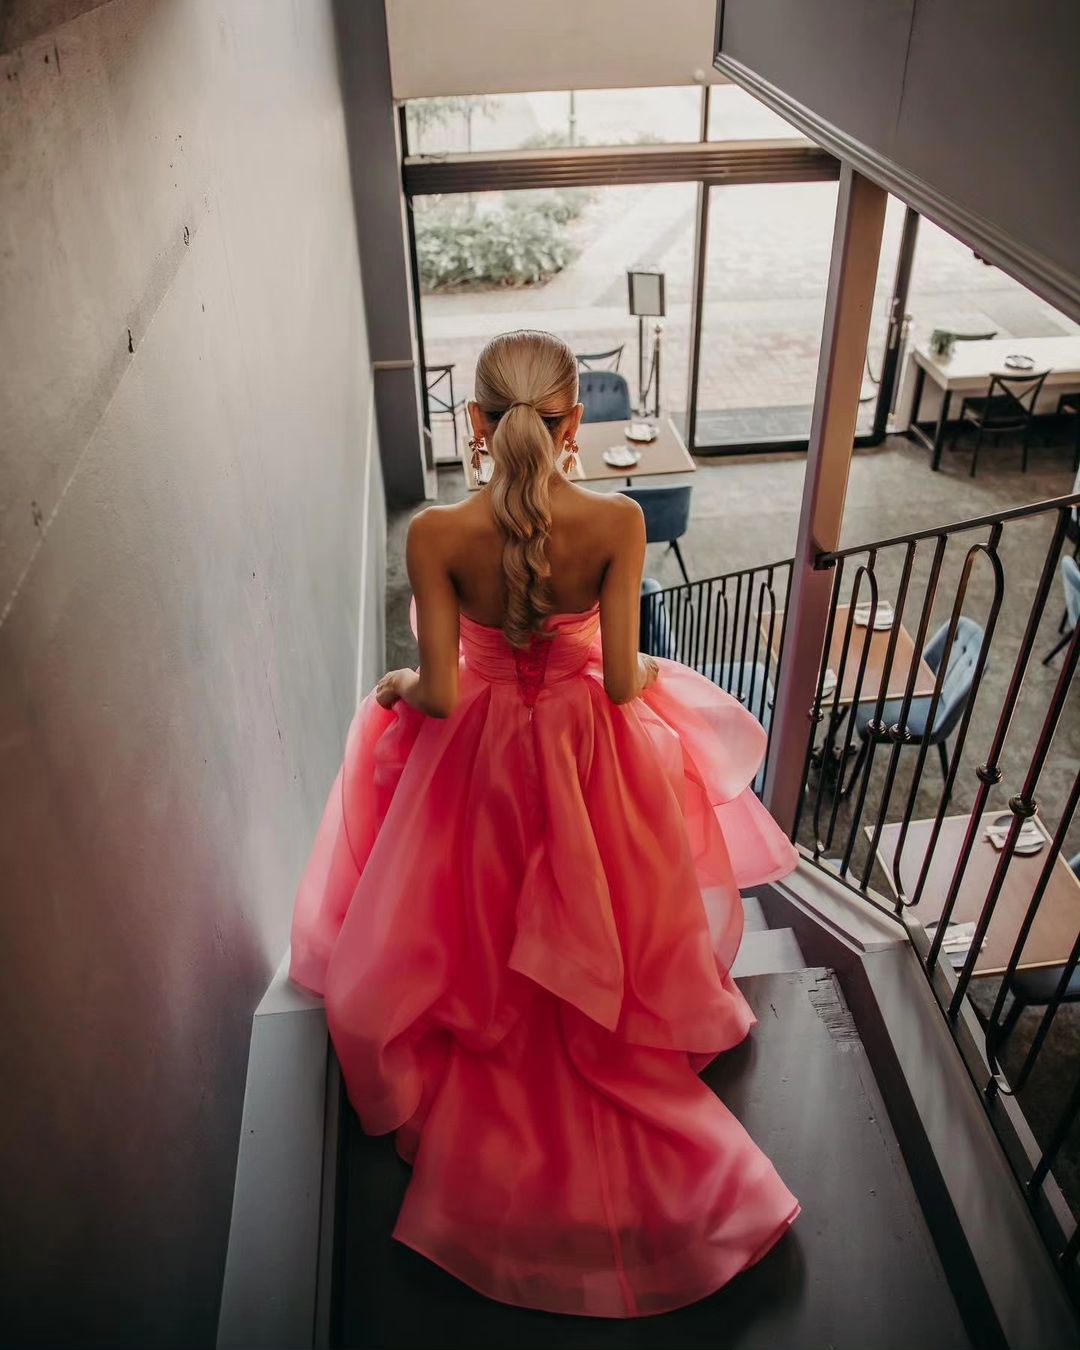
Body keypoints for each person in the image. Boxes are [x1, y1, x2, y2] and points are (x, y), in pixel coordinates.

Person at [290, 329, 800, 1318]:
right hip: (581, 754)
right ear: (575, 423)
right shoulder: (616, 521)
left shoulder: (434, 536)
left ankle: (493, 1013)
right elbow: (619, 678)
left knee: (469, 905)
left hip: (478, 760)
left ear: (476, 425)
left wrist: (396, 682)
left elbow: (437, 694)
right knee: (612, 881)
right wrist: (655, 683)